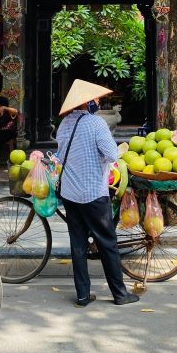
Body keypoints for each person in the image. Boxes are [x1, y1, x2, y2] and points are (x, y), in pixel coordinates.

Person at [55, 79, 139, 308]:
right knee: (107, 243)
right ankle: (120, 294)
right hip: (93, 193)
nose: (98, 102)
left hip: (70, 193)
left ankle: (83, 295)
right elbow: (112, 155)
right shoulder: (96, 124)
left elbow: (60, 158)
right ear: (87, 103)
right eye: (96, 99)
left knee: (78, 244)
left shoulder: (64, 125)